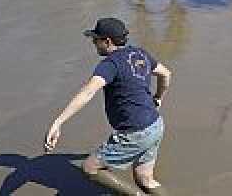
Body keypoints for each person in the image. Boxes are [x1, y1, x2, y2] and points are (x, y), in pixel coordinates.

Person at [44, 17, 172, 195]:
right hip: (155, 125)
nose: (94, 43)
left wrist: (58, 122)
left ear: (107, 41)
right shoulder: (139, 53)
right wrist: (158, 98)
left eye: (95, 39)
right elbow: (166, 74)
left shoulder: (110, 64)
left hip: (136, 131)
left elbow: (87, 92)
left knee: (90, 168)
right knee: (145, 179)